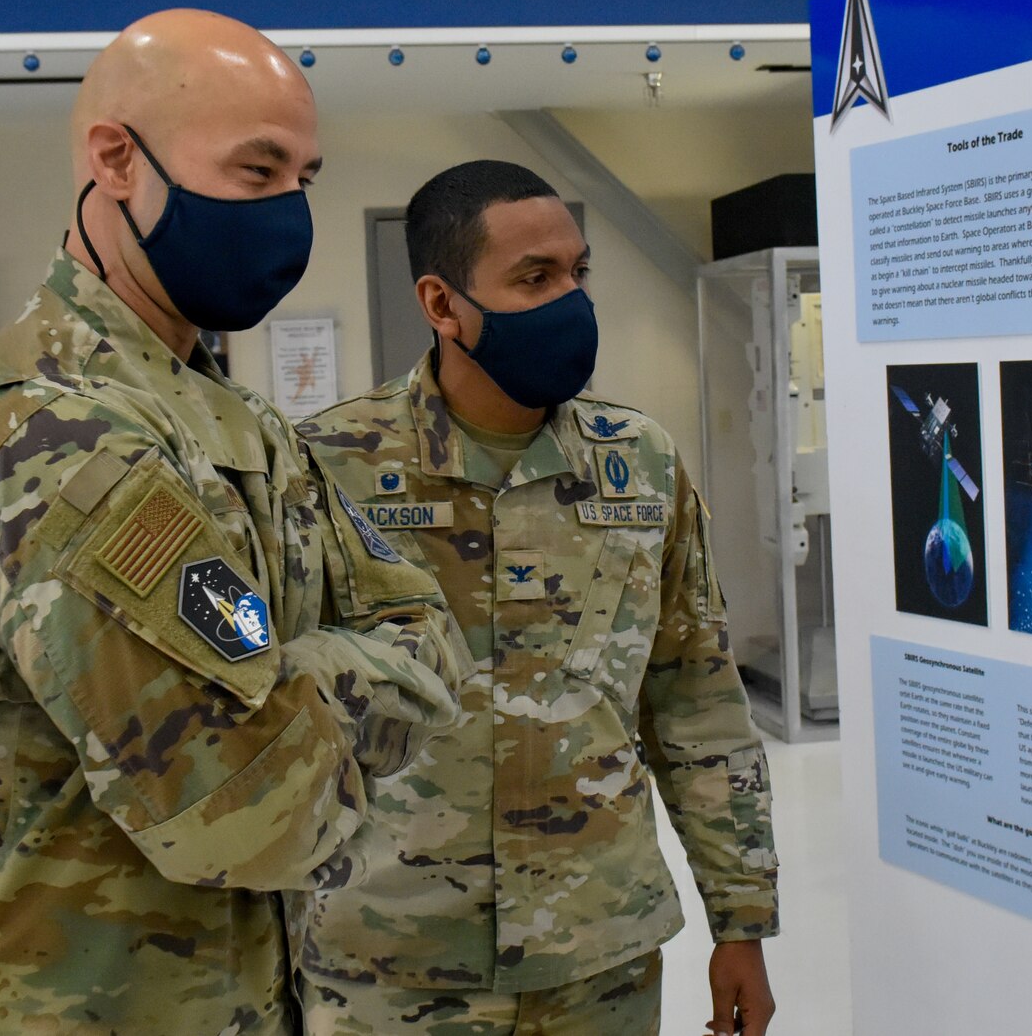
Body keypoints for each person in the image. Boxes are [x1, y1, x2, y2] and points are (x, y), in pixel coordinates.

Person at [0, 10, 467, 1035]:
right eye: (256, 171)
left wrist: (300, 680)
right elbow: (248, 810)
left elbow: (429, 633)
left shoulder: (218, 412)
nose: (288, 209)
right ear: (116, 158)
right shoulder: (51, 431)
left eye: (304, 179)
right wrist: (337, 672)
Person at [292, 161, 778, 1036]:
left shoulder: (642, 462)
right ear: (442, 305)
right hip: (389, 958)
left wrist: (739, 919)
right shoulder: (328, 465)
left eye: (577, 272)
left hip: (598, 951)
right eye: (534, 278)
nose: (570, 299)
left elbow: (696, 700)